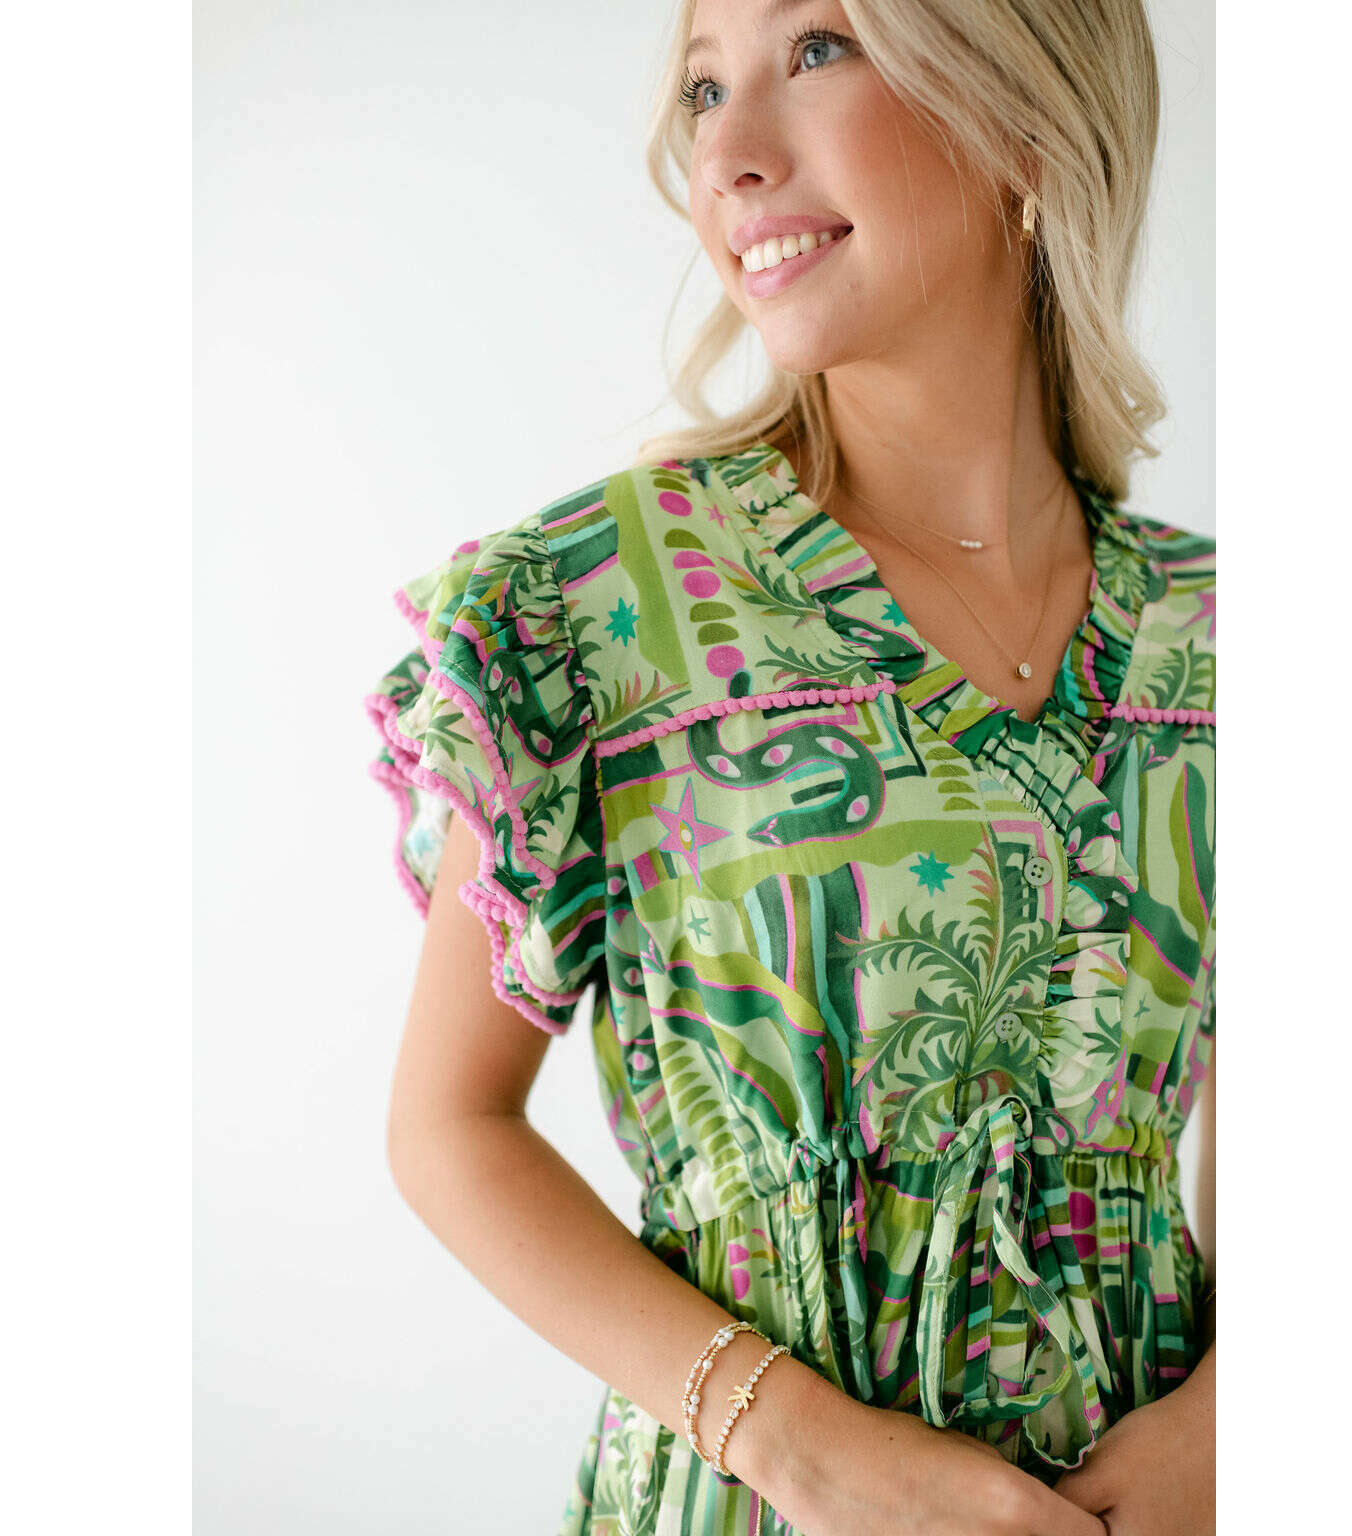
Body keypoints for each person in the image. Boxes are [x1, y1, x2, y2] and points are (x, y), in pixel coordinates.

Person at [365, 1, 1215, 1532]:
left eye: (817, 49)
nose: (729, 156)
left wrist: (1238, 1422)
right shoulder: (599, 608)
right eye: (704, 90)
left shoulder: (1218, 640)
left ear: (1026, 117)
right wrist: (802, 1448)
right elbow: (448, 1129)